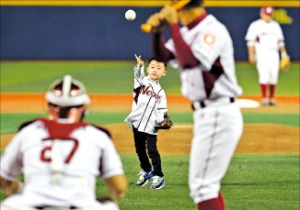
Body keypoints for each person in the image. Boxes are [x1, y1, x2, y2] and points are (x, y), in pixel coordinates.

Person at [144, 0, 243, 209]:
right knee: (207, 186)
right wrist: (157, 32)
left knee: (202, 187)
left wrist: (172, 25)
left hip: (218, 110)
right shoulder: (188, 32)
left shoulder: (212, 30)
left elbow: (190, 61)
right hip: (208, 113)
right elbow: (163, 56)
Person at [0, 75, 128, 210]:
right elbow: (119, 188)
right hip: (79, 206)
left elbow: (4, 180)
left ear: (49, 106)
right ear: (83, 108)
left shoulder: (28, 132)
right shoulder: (97, 136)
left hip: (32, 206)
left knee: (9, 203)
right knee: (109, 205)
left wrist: (23, 191)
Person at [124, 54, 168, 190]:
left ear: (164, 73)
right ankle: (146, 170)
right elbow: (137, 75)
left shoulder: (161, 92)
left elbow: (162, 110)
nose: (155, 70)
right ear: (148, 69)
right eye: (153, 67)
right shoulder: (141, 82)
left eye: (159, 68)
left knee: (152, 150)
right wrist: (139, 66)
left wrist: (162, 120)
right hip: (137, 122)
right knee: (139, 149)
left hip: (151, 125)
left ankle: (158, 176)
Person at [245, 6, 289, 106]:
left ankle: (272, 98)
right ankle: (264, 97)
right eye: (266, 14)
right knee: (264, 75)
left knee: (274, 75)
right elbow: (250, 41)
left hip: (274, 52)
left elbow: (280, 42)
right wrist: (251, 54)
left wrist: (284, 54)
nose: (268, 17)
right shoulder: (255, 25)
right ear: (261, 14)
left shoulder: (276, 25)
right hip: (261, 52)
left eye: (269, 15)